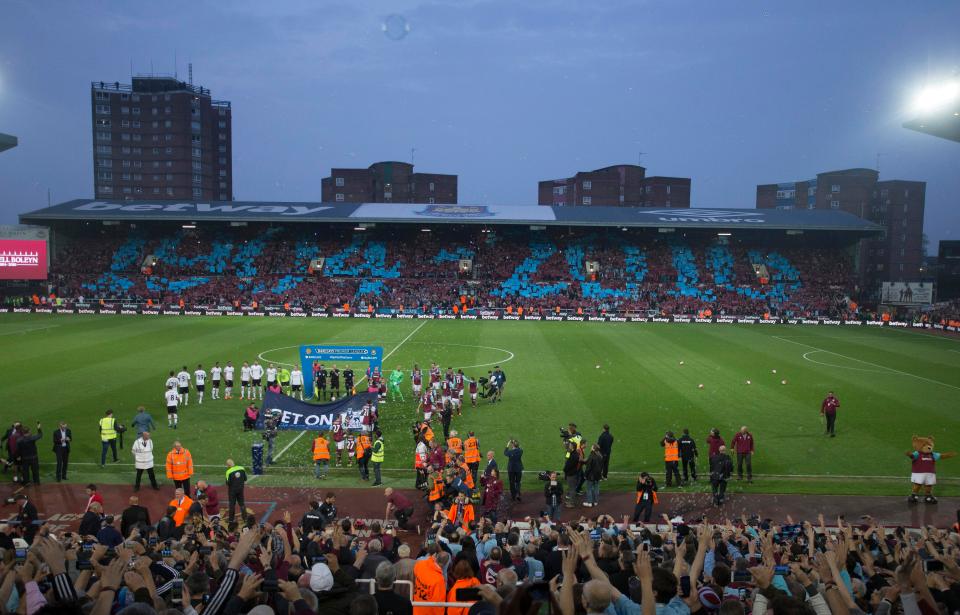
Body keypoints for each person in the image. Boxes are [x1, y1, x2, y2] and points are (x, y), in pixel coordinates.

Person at [413, 548, 449, 615]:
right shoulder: (439, 580)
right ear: (445, 564)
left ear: (436, 557)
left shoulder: (421, 564)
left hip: (416, 609)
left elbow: (415, 572)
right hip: (428, 612)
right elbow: (438, 605)